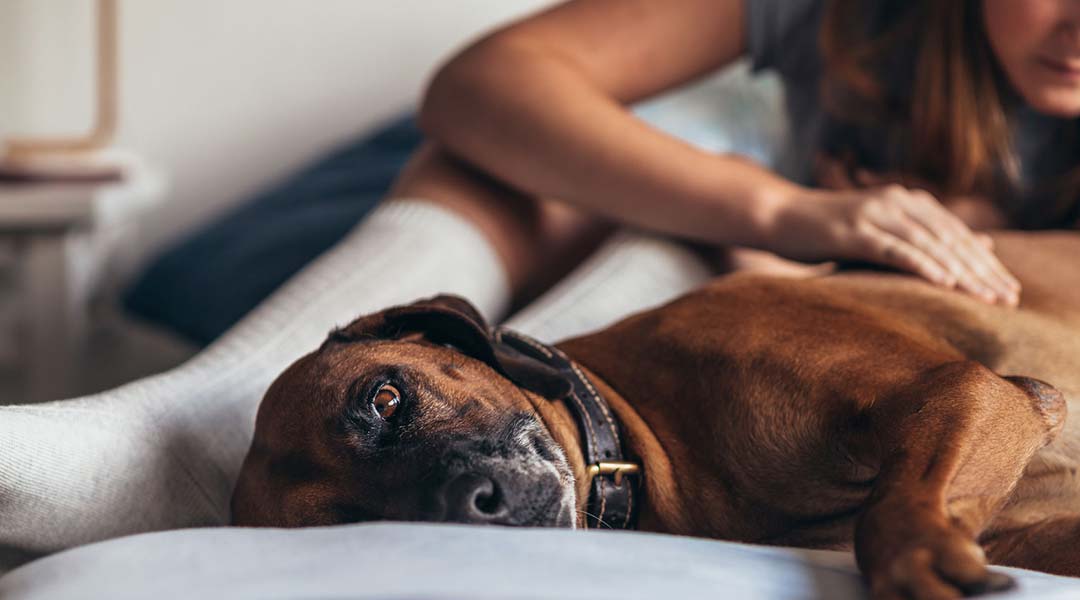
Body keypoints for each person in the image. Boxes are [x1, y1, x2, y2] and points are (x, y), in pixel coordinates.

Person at [328, 0, 1079, 338]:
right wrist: (779, 211)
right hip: (756, 223)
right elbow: (484, 84)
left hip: (801, 301)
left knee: (703, 246)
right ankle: (238, 404)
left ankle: (521, 418)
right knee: (512, 166)